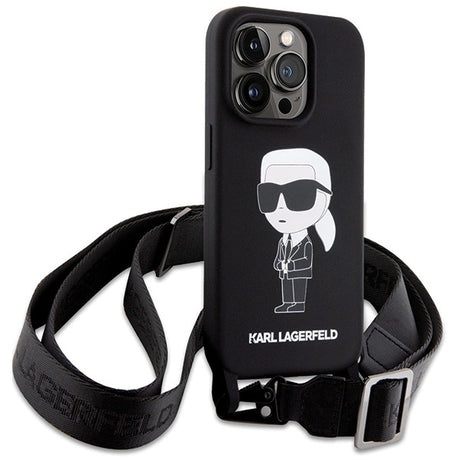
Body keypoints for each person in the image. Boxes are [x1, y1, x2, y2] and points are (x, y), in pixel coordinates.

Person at [257, 148, 336, 313]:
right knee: (286, 287)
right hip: (285, 272)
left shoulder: (306, 242)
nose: (281, 206)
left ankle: (298, 304)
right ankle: (287, 303)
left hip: (299, 273)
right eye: (269, 195)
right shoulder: (283, 241)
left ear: (324, 199)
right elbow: (279, 255)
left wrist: (291, 264)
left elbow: (306, 260)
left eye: (299, 194)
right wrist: (279, 263)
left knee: (298, 288)